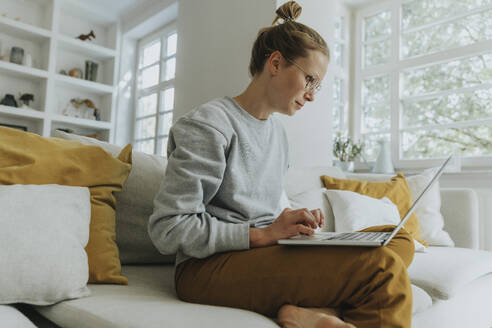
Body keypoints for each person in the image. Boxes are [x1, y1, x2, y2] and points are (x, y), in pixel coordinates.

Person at [148, 1, 415, 327]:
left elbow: (265, 207)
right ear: (275, 63)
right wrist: (262, 235)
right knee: (383, 268)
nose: (313, 95)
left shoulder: (276, 133)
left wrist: (291, 220)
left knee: (397, 242)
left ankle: (315, 316)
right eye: (310, 80)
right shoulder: (210, 125)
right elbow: (169, 229)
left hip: (264, 253)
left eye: (319, 85)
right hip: (208, 267)